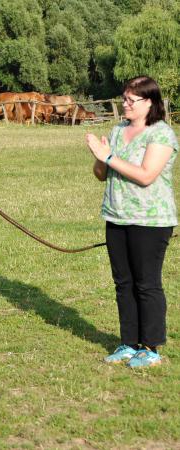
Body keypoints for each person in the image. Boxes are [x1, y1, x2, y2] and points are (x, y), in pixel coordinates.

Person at [86, 76, 178, 368]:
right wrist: (100, 159)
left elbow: (146, 175)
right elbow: (102, 174)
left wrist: (109, 156)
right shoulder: (117, 130)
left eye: (130, 100)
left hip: (150, 221)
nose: (124, 104)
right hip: (116, 215)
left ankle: (150, 348)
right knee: (123, 283)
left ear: (148, 102)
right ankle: (128, 343)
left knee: (146, 283)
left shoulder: (161, 134)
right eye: (123, 99)